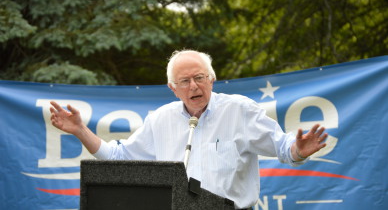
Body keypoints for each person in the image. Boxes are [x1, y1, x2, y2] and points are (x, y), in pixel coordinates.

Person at [50, 50, 328, 209]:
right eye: (184, 81)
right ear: (173, 89)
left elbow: (282, 148)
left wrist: (298, 150)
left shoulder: (240, 110)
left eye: (200, 78)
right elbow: (119, 158)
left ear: (212, 79)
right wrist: (79, 130)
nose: (194, 86)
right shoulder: (160, 119)